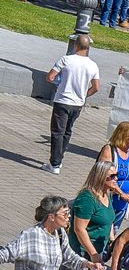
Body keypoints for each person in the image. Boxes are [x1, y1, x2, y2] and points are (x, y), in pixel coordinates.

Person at [60, 162, 118, 270]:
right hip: (81, 253)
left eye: (116, 175)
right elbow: (79, 229)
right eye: (111, 177)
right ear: (100, 177)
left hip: (96, 255)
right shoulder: (88, 198)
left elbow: (108, 220)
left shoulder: (106, 195)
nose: (116, 179)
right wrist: (93, 253)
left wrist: (112, 238)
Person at [44, 34, 100, 175]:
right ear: (88, 47)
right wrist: (84, 94)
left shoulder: (66, 60)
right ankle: (59, 158)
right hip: (78, 103)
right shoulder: (93, 65)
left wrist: (60, 82)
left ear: (76, 45)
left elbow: (50, 77)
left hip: (63, 100)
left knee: (57, 132)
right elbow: (96, 87)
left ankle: (54, 163)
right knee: (67, 130)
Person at [97, 121, 129, 231]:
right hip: (108, 199)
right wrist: (122, 193)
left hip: (123, 204)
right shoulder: (109, 150)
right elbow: (106, 175)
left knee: (114, 232)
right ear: (124, 135)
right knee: (103, 231)